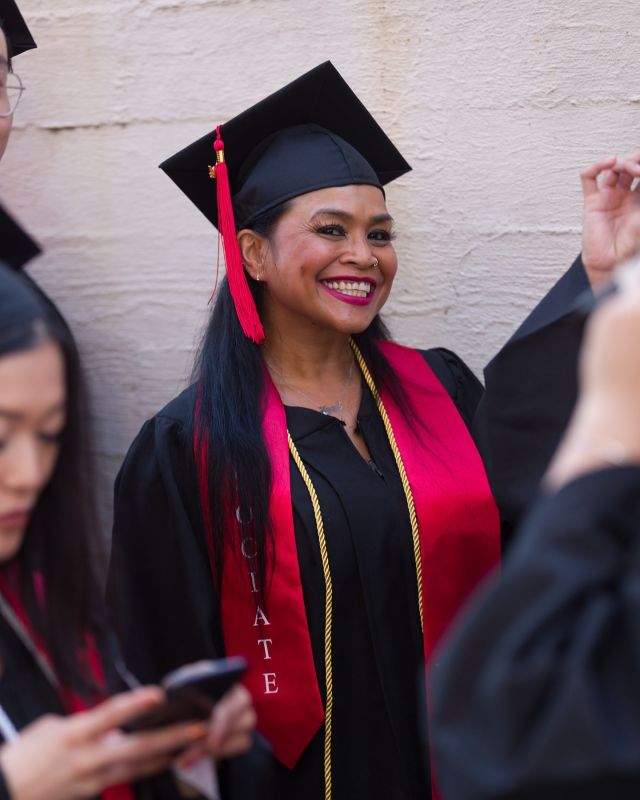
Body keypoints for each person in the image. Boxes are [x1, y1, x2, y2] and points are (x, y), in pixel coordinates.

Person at [107, 61, 640, 800]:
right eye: (332, 230)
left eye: (379, 232)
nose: (364, 255)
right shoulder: (187, 448)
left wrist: (601, 277)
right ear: (252, 254)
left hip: (456, 770)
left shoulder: (439, 391)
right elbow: (164, 667)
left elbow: (535, 499)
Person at [0, 244, 257, 800]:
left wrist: (178, 751)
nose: (28, 475)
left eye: (49, 435)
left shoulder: (39, 603)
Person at [430, 258, 640, 800]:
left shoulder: (432, 386)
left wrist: (612, 422)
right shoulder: (188, 436)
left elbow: (502, 736)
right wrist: (601, 273)